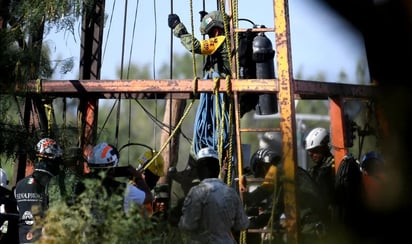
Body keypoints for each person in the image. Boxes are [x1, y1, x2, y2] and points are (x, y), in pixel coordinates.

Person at [244, 148, 325, 243]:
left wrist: (244, 198)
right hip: (313, 224)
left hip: (309, 225)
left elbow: (263, 191)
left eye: (262, 174)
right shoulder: (288, 173)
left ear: (264, 165)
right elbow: (276, 209)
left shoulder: (278, 169)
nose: (264, 177)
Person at [178, 147, 249, 243]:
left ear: (199, 169)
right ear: (218, 169)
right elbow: (242, 224)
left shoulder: (196, 192)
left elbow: (188, 225)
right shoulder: (231, 193)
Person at [14, 138, 63, 243]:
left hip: (23, 238)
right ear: (52, 160)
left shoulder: (20, 185)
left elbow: (19, 209)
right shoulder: (53, 184)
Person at [303, 127, 335, 227]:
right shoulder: (315, 170)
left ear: (325, 147)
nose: (311, 154)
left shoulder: (333, 166)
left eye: (315, 150)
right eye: (309, 151)